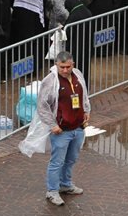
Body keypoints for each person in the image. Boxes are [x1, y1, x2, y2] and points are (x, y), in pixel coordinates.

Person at [35, 51, 90, 207]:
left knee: (71, 159)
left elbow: (84, 95)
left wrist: (86, 110)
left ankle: (65, 184)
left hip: (78, 127)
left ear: (73, 64)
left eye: (68, 67)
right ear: (56, 65)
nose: (65, 70)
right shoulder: (50, 81)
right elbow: (42, 105)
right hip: (62, 130)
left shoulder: (78, 75)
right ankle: (52, 191)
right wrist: (52, 125)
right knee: (56, 162)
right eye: (62, 67)